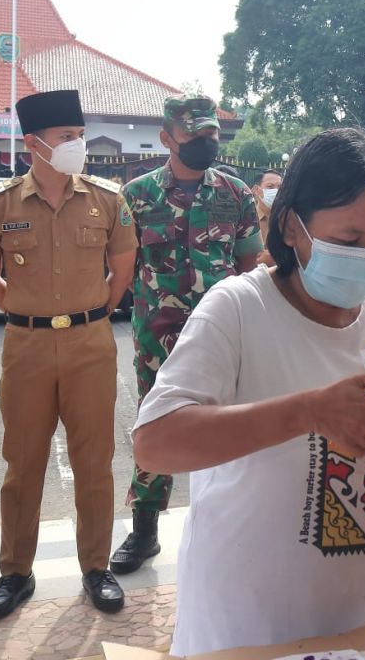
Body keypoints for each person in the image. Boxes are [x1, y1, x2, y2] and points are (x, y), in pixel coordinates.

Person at [132, 128, 365, 655]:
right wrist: (309, 412)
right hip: (254, 620)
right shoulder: (237, 308)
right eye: (348, 241)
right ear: (291, 226)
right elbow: (157, 443)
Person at [0, 90, 137, 619]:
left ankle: (96, 567)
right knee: (23, 463)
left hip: (91, 343)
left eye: (78, 136)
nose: (76, 146)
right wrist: (27, 310)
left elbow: (123, 267)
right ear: (33, 144)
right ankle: (14, 573)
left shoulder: (108, 198)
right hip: (27, 345)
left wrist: (94, 313)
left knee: (94, 460)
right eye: (66, 138)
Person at [110, 96, 262, 575]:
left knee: (232, 422)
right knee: (153, 425)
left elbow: (249, 265)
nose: (206, 143)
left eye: (212, 135)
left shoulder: (236, 194)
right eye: (195, 135)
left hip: (223, 333)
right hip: (157, 336)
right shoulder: (135, 196)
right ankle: (145, 530)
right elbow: (120, 269)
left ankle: (234, 522)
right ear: (167, 138)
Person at [252, 168, 283, 267]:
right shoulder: (248, 219)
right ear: (256, 190)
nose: (277, 192)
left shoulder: (291, 220)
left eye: (280, 187)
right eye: (270, 187)